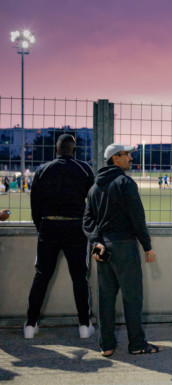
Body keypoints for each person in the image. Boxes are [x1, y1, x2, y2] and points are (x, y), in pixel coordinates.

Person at [83, 143, 161, 357]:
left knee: (106, 299)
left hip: (103, 248)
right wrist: (147, 246)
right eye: (127, 155)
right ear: (115, 158)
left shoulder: (94, 187)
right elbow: (137, 217)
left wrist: (96, 241)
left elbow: (87, 220)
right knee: (132, 297)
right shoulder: (125, 183)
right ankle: (137, 344)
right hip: (124, 246)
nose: (131, 158)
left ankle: (106, 345)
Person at [25, 134, 95, 340]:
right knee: (79, 277)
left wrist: (41, 226)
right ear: (74, 150)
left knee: (41, 276)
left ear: (56, 150)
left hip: (49, 226)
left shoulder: (43, 170)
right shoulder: (84, 169)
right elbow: (93, 202)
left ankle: (30, 325)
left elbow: (35, 204)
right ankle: (84, 325)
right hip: (76, 227)